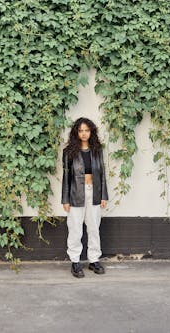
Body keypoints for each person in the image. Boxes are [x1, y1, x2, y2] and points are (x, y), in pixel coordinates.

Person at [62, 117, 108, 278]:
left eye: (86, 130)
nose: (83, 133)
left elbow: (102, 174)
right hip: (76, 194)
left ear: (91, 132)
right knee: (75, 228)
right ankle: (75, 261)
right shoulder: (68, 152)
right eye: (80, 130)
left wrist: (103, 195)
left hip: (94, 193)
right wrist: (65, 199)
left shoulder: (97, 150)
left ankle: (94, 260)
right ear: (76, 132)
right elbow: (66, 177)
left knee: (94, 227)